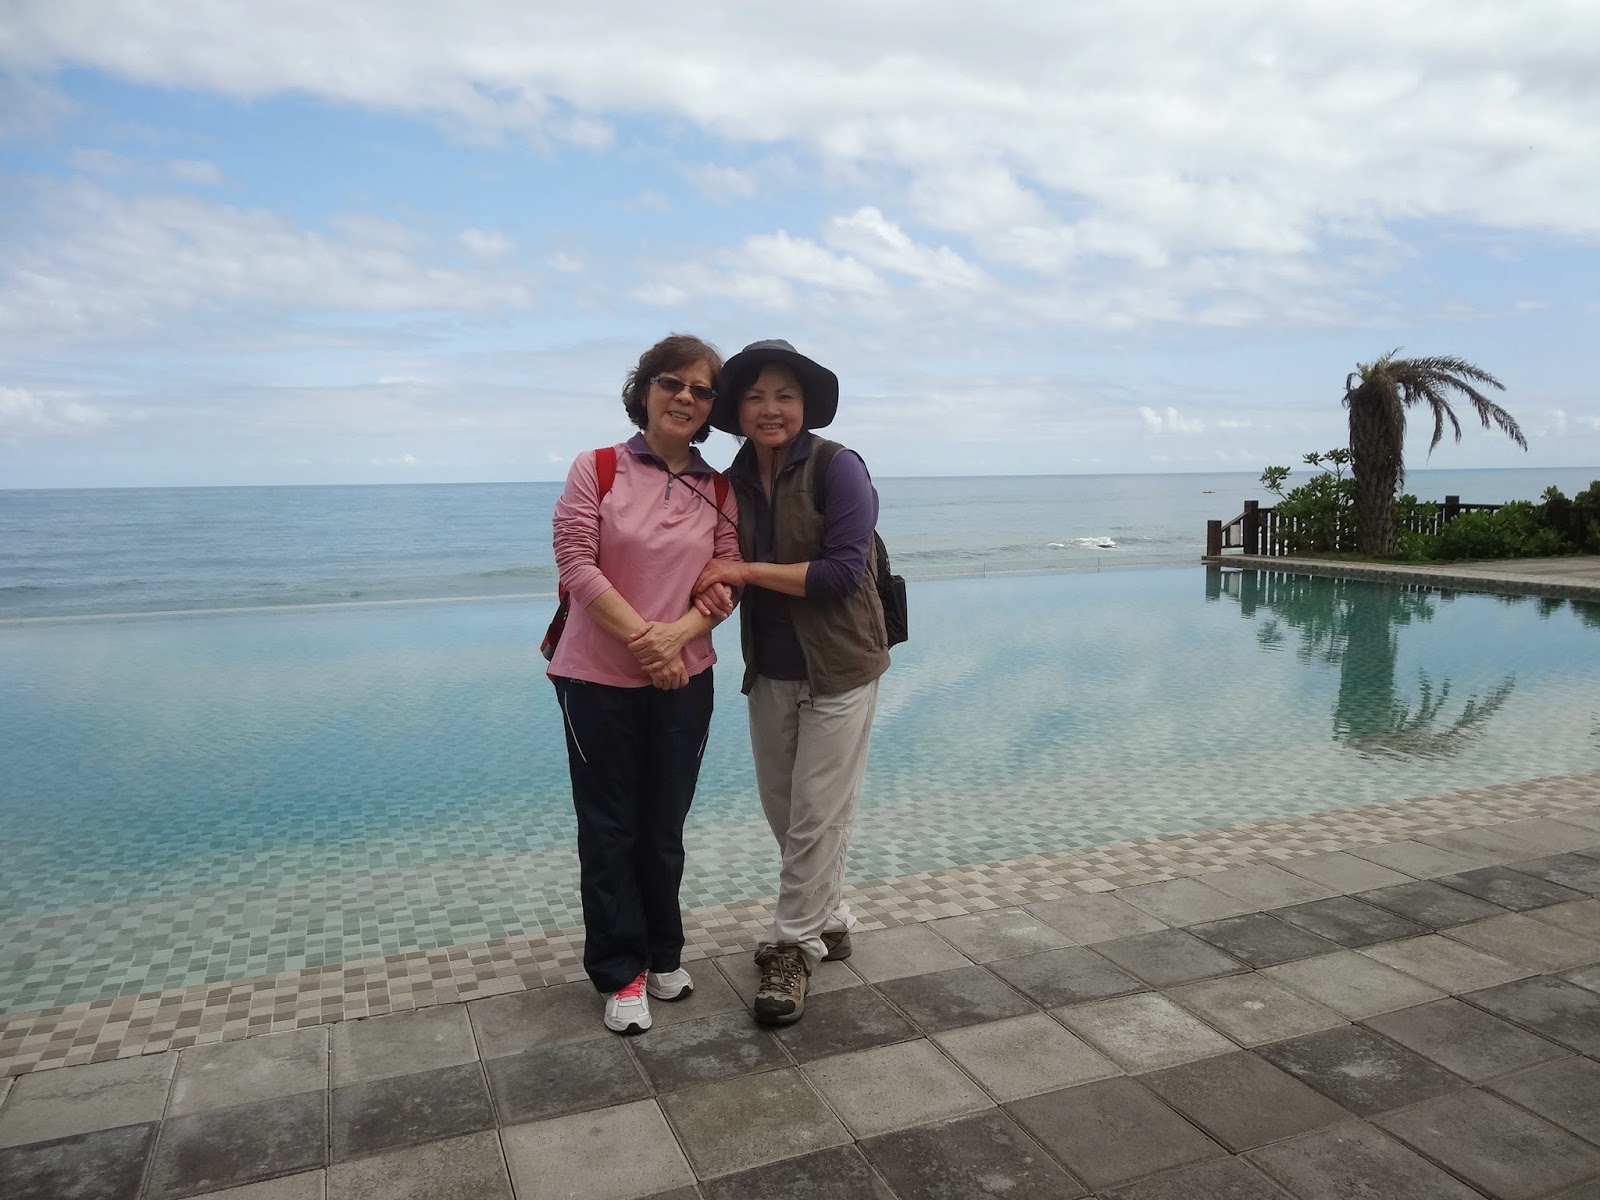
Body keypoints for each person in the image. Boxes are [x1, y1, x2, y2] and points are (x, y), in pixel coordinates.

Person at [547, 333, 740, 1035]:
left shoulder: (720, 488)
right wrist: (648, 644)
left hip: (685, 678)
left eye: (701, 390)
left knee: (663, 827)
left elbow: (726, 580)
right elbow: (577, 563)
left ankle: (663, 953)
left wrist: (676, 638)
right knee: (610, 829)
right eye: (671, 382)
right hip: (597, 679)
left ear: (712, 407)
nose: (685, 397)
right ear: (645, 389)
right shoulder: (597, 467)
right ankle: (619, 971)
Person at [690, 339, 888, 1026]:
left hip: (841, 666)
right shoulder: (731, 483)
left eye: (784, 395)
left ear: (805, 405)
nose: (769, 409)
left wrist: (743, 572)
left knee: (815, 813)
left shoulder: (839, 468)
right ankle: (829, 918)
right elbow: (709, 563)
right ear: (737, 410)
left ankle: (793, 948)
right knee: (786, 808)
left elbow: (840, 573)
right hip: (770, 665)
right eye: (754, 396)